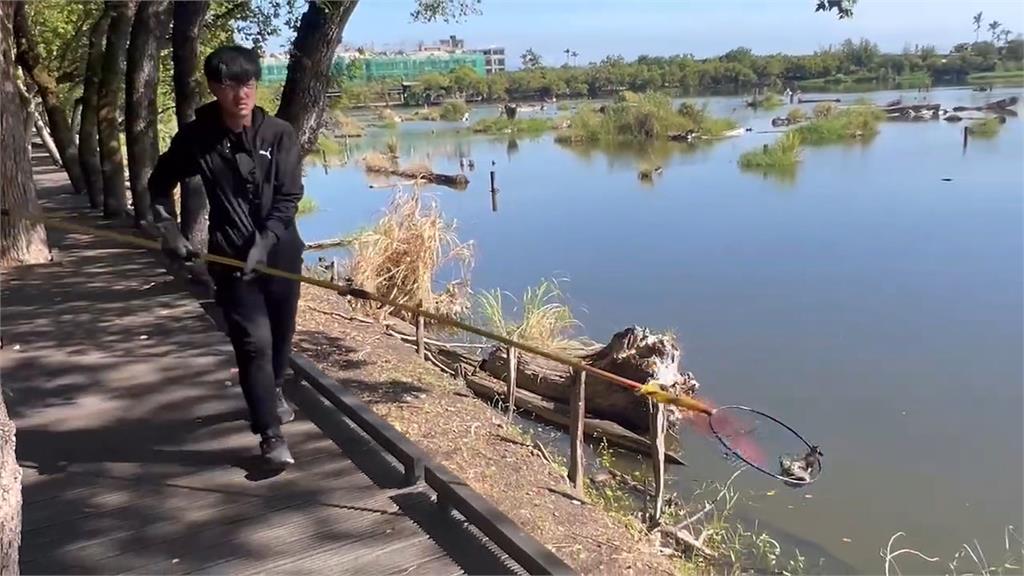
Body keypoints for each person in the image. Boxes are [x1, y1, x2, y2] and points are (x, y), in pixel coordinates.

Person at [148, 45, 304, 468]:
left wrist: (266, 240)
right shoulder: (197, 138)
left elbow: (289, 195)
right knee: (253, 343)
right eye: (230, 85)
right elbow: (158, 184)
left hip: (282, 254)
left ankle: (271, 391)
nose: (241, 94)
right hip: (231, 260)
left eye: (248, 83)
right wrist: (168, 230)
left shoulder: (279, 134)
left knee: (280, 336)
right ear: (215, 87)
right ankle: (270, 437)